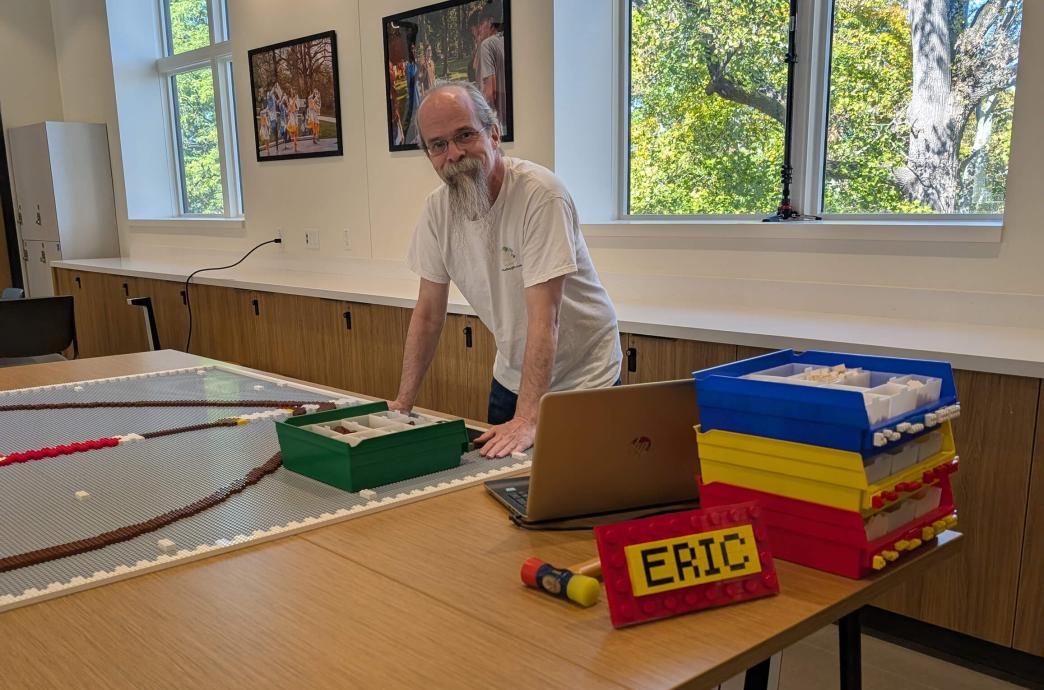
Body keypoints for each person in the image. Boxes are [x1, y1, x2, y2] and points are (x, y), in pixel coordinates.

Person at [391, 81, 622, 458]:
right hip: (513, 376)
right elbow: (428, 314)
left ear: (494, 134)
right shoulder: (437, 212)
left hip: (585, 381)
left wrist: (529, 418)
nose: (453, 154)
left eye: (465, 135)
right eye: (438, 145)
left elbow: (545, 318)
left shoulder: (540, 195)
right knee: (502, 494)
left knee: (576, 501)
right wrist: (402, 404)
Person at [476, 7, 507, 129]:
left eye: (481, 24)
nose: (479, 29)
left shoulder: (487, 45)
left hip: (501, 119)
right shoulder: (504, 41)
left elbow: (490, 92)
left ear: (490, 22)